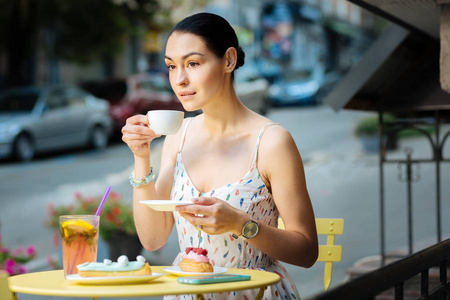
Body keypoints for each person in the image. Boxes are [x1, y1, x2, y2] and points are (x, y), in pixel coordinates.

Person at [122, 12, 318, 300]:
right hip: (187, 292)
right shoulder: (179, 136)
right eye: (171, 66)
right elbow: (152, 239)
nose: (180, 79)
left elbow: (307, 251)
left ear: (228, 60)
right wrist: (141, 157)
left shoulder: (272, 142)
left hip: (253, 292)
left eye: (193, 64)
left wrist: (242, 225)